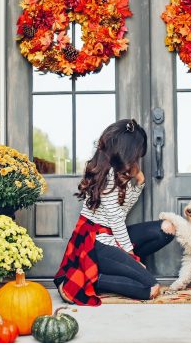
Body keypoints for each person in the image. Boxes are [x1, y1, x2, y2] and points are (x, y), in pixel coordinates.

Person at [54, 119, 175, 306]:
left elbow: (122, 210)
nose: (137, 160)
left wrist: (139, 182)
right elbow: (117, 219)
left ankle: (122, 268)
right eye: (137, 154)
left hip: (112, 236)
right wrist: (131, 255)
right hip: (96, 243)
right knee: (150, 288)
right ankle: (95, 278)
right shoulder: (107, 174)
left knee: (167, 229)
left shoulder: (119, 171)